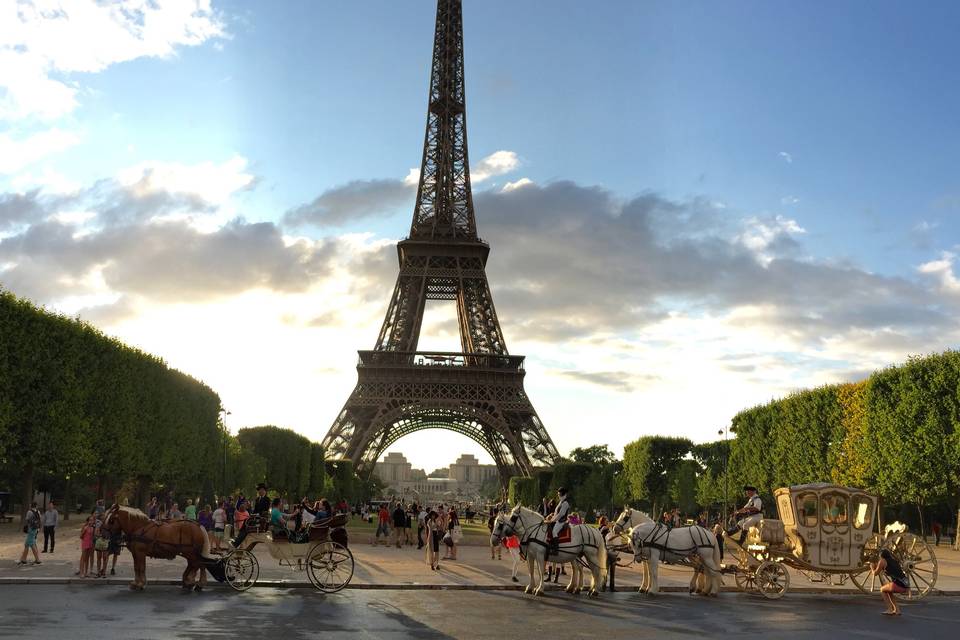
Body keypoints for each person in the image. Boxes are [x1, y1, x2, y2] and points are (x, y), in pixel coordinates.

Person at [871, 548, 909, 615]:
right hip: (906, 584)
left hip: (898, 584)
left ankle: (889, 609)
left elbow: (875, 573)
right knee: (888, 591)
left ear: (881, 556)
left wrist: (872, 567)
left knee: (882, 589)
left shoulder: (882, 561)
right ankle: (897, 610)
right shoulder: (894, 561)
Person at [545, 487, 571, 553]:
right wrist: (551, 517)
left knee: (554, 532)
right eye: (558, 494)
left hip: (561, 522)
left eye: (559, 494)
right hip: (557, 520)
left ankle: (555, 549)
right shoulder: (560, 502)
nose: (558, 495)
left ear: (564, 495)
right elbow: (556, 513)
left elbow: (560, 515)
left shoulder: (565, 503)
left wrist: (552, 521)